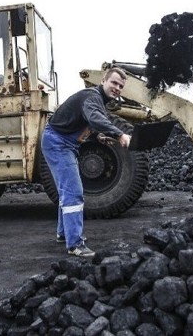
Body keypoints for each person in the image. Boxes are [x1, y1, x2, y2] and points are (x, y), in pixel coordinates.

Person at [41, 67, 132, 257]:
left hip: (63, 141)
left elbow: (85, 121)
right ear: (103, 81)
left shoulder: (95, 99)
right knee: (74, 192)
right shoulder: (92, 97)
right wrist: (118, 133)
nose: (117, 88)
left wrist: (98, 136)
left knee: (67, 189)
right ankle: (75, 245)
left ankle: (63, 233)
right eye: (114, 83)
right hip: (58, 143)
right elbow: (94, 118)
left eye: (121, 86)